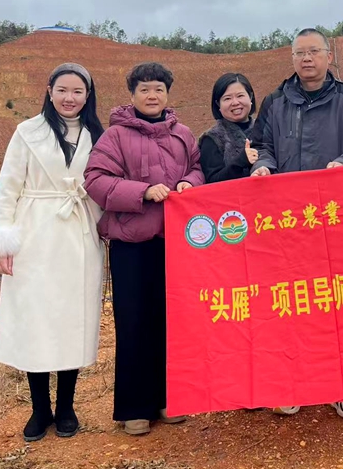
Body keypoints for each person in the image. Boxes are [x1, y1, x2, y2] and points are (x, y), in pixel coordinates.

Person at [0, 63, 105, 442]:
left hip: (79, 236)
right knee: (36, 320)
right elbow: (7, 187)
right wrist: (2, 240)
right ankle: (39, 408)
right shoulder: (27, 132)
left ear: (88, 95)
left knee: (72, 320)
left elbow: (104, 184)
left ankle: (66, 407)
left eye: (77, 91)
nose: (69, 98)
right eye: (62, 90)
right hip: (34, 236)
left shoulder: (98, 135)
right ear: (49, 91)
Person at [250, 28, 343, 418]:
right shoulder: (274, 102)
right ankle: (293, 383)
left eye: (314, 51)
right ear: (292, 59)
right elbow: (262, 146)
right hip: (287, 222)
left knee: (339, 304)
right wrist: (263, 166)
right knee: (292, 303)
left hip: (335, 219)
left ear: (328, 56)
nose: (307, 59)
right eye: (300, 53)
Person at [84, 62, 204, 436]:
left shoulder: (183, 134)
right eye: (145, 89)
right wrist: (143, 191)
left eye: (158, 89)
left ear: (167, 94)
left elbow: (197, 169)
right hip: (131, 245)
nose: (152, 96)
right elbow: (95, 180)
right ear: (132, 94)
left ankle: (168, 398)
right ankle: (135, 408)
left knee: (171, 323)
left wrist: (188, 183)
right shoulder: (115, 136)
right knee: (134, 322)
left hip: (174, 244)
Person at [199, 73, 259, 183]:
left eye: (240, 96)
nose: (235, 102)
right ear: (218, 104)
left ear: (250, 97)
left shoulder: (265, 129)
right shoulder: (212, 138)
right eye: (227, 98)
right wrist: (240, 162)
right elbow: (211, 181)